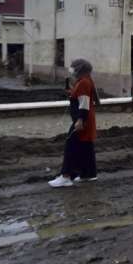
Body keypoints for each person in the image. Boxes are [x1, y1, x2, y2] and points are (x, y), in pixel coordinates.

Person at [49, 58, 99, 187]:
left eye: (73, 67)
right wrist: (71, 92)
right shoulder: (84, 81)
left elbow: (84, 103)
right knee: (85, 147)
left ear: (80, 69)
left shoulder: (83, 83)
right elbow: (81, 97)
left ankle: (66, 176)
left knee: (71, 146)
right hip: (87, 119)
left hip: (82, 120)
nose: (71, 69)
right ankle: (89, 174)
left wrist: (80, 120)